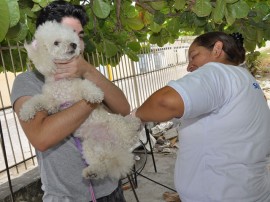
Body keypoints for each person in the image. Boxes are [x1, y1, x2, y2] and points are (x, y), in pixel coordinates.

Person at [11, 1, 129, 201]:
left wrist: (89, 71)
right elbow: (42, 137)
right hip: (66, 196)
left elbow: (123, 108)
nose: (75, 42)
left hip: (111, 189)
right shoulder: (27, 82)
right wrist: (88, 100)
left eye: (80, 36)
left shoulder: (87, 73)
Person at [134, 32, 270, 201]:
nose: (189, 66)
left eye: (193, 56)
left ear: (217, 49)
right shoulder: (248, 80)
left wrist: (133, 118)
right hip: (248, 191)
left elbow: (164, 102)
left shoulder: (218, 72)